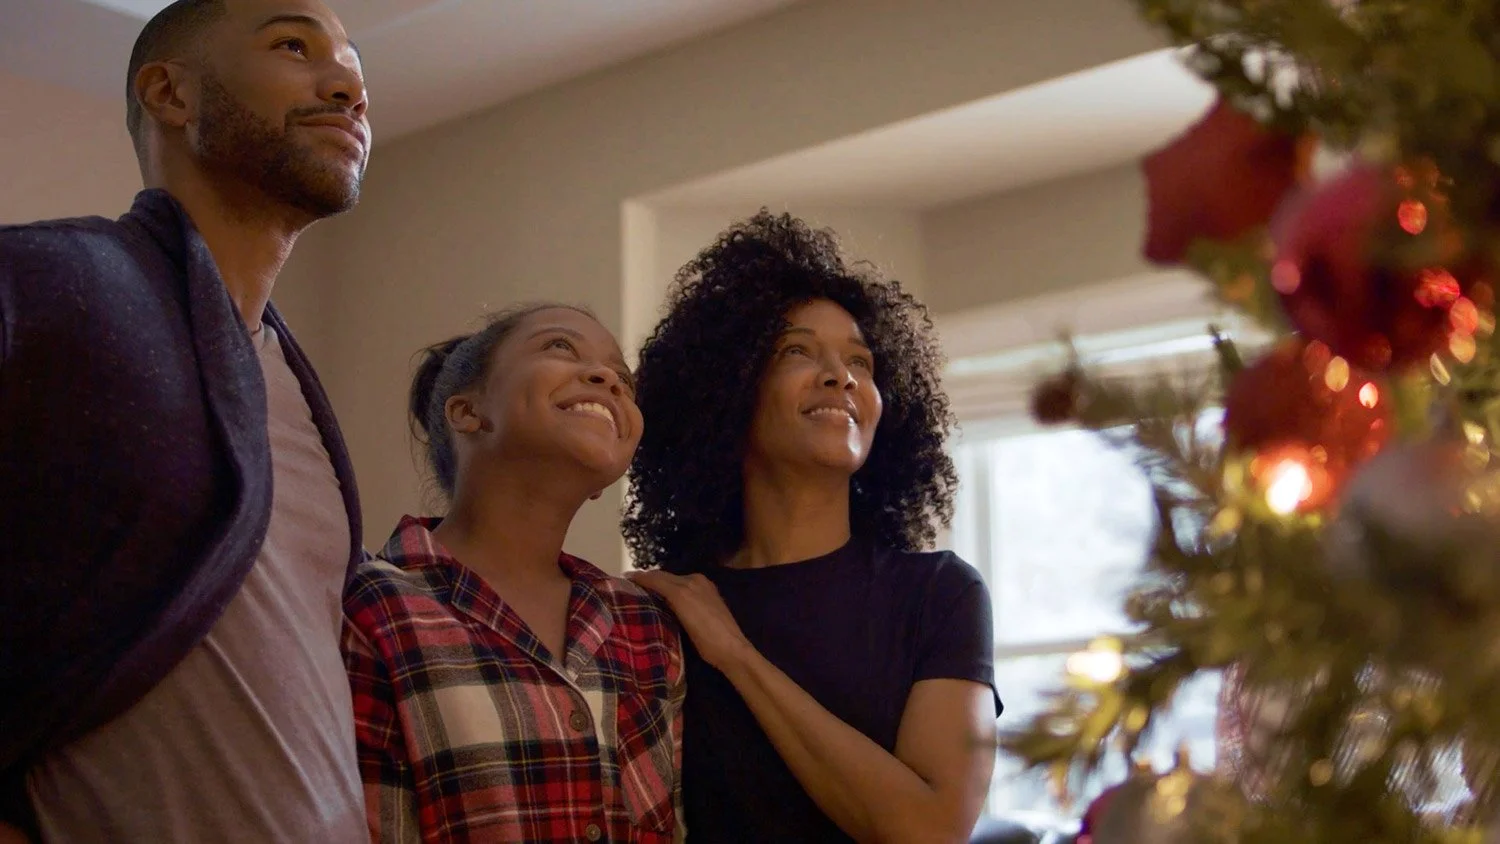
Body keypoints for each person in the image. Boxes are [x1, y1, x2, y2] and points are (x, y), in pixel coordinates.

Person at [0, 0, 371, 840]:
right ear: (170, 93)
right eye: (293, 45)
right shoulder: (41, 284)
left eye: (355, 67)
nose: (348, 86)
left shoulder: (293, 387)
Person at [624, 211, 1002, 843]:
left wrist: (736, 657)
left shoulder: (939, 593)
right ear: (727, 389)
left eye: (861, 361)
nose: (841, 376)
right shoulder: (666, 607)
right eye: (796, 351)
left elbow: (932, 831)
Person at [342, 304, 686, 843]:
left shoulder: (645, 624)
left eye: (622, 376)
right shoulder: (371, 607)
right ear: (467, 412)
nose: (608, 379)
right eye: (559, 346)